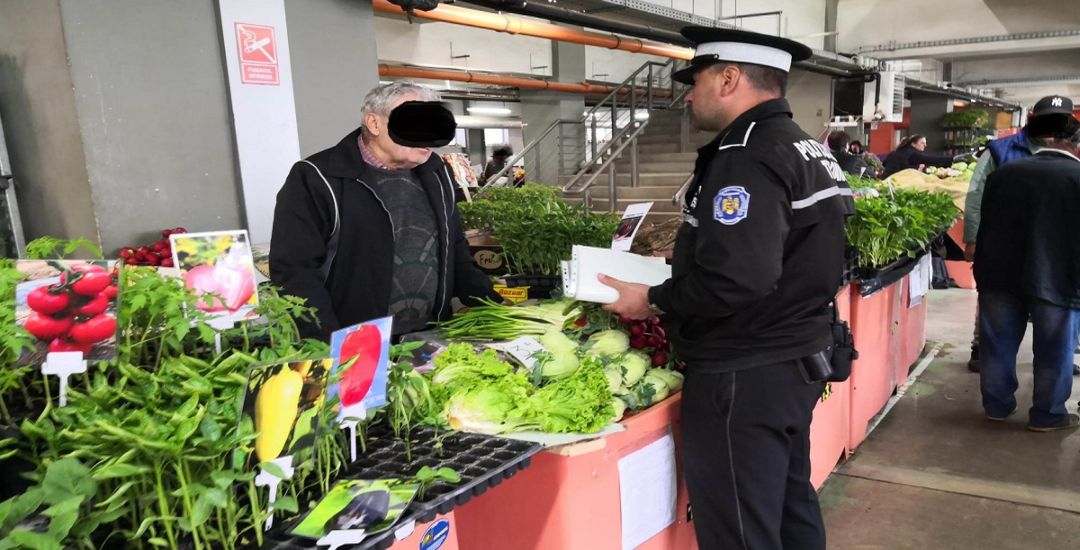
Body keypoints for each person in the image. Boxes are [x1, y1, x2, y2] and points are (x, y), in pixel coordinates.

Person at [599, 27, 854, 550]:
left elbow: (739, 280)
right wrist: (691, 258)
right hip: (797, 355)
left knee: (739, 526)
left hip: (745, 370)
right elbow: (784, 248)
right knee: (787, 503)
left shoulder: (745, 154)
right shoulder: (804, 146)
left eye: (695, 82)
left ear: (729, 78)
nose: (689, 97)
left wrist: (650, 299)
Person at [270, 82, 500, 340]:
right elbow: (295, 271)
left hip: (429, 336)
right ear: (374, 123)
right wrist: (329, 343)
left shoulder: (436, 172)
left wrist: (495, 306)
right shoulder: (317, 177)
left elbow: (454, 247)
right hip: (355, 342)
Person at [973, 119, 1080, 432]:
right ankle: (1048, 416)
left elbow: (985, 222)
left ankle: (996, 407)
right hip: (1057, 277)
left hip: (998, 273)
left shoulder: (1004, 173)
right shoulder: (1077, 177)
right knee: (1054, 347)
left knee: (997, 343)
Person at [961, 95, 1080, 374]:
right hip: (1006, 246)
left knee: (1055, 315)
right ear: (1032, 119)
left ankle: (1065, 354)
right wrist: (973, 239)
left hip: (1054, 249)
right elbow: (976, 195)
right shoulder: (1001, 151)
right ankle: (980, 347)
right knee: (997, 305)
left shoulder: (1073, 150)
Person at [881, 134, 954, 177]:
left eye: (925, 143)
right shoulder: (912, 154)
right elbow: (930, 159)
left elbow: (885, 164)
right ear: (913, 144)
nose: (925, 145)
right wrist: (953, 159)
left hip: (886, 179)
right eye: (922, 143)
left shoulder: (896, 152)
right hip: (897, 181)